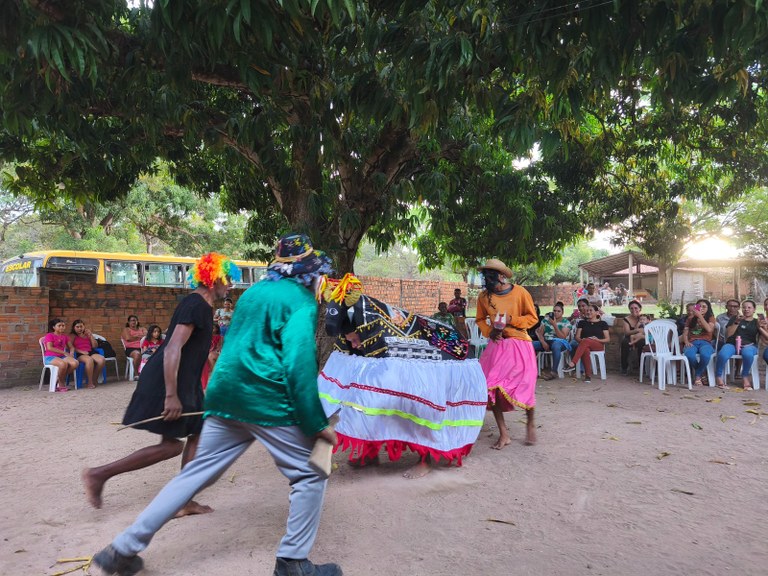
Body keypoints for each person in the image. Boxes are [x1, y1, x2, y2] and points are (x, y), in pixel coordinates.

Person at [90, 233, 343, 576]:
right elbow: (298, 366)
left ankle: (120, 551)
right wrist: (317, 424)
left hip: (224, 396)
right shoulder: (300, 301)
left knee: (193, 474)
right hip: (264, 399)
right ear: (308, 273)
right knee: (311, 473)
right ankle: (294, 563)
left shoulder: (253, 293)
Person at [82, 252, 240, 516]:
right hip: (167, 382)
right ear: (214, 279)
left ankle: (182, 500)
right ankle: (99, 474)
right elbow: (172, 349)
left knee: (194, 434)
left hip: (182, 382)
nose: (231, 286)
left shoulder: (202, 305)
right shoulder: (196, 305)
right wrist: (171, 395)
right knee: (173, 445)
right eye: (228, 280)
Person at [319, 273, 486, 479]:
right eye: (349, 342)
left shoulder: (385, 337)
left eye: (354, 340)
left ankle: (426, 459)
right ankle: (371, 452)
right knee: (368, 402)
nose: (353, 345)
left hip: (439, 359)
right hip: (397, 362)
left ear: (362, 330)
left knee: (418, 405)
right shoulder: (364, 337)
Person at [475, 258, 539, 448]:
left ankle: (530, 422)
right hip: (497, 345)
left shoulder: (520, 292)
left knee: (526, 385)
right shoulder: (483, 296)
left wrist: (512, 319)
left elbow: (532, 318)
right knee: (490, 387)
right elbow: (479, 319)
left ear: (502, 277)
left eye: (492, 279)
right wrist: (489, 332)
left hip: (520, 344)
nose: (489, 283)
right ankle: (504, 434)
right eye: (486, 278)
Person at [715, 300, 767, 390]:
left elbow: (764, 339)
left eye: (749, 307)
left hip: (749, 345)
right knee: (723, 353)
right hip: (732, 343)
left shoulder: (756, 322)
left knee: (747, 354)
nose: (746, 309)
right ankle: (718, 376)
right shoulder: (734, 319)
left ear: (754, 310)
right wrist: (737, 322)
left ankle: (745, 376)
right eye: (744, 307)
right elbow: (728, 335)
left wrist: (762, 327)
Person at [564, 304, 610, 384]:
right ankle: (588, 376)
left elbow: (607, 339)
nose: (588, 312)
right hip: (584, 344)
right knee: (585, 348)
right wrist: (583, 341)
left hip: (598, 344)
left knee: (585, 342)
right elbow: (577, 337)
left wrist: (597, 339)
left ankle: (572, 363)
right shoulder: (582, 323)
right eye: (587, 310)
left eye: (590, 310)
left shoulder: (603, 323)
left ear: (596, 312)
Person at [532, 301, 572, 380]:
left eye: (558, 311)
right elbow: (540, 333)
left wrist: (554, 324)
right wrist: (543, 342)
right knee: (528, 345)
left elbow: (562, 337)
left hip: (560, 343)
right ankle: (531, 371)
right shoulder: (545, 320)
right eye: (554, 311)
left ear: (562, 312)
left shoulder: (566, 323)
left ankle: (554, 372)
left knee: (556, 345)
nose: (556, 313)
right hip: (546, 342)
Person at [681, 299, 716, 387]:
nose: (702, 308)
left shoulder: (711, 318)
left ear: (708, 308)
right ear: (696, 307)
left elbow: (709, 329)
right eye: (699, 306)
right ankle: (702, 373)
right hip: (693, 341)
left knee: (705, 355)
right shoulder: (690, 319)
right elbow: (685, 333)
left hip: (706, 342)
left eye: (704, 307)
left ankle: (697, 376)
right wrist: (686, 341)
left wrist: (700, 316)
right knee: (689, 355)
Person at [42, 318, 79, 392]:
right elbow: (49, 348)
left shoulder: (64, 336)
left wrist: (71, 353)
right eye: (59, 325)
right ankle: (61, 383)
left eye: (63, 325)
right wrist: (64, 353)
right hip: (50, 357)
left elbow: (71, 347)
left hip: (61, 356)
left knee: (75, 363)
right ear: (54, 327)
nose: (62, 327)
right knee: (63, 364)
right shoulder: (49, 335)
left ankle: (58, 380)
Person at [69, 319, 106, 389]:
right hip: (79, 354)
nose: (80, 328)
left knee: (101, 360)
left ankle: (94, 379)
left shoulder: (87, 334)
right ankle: (90, 382)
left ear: (84, 326)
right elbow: (70, 347)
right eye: (77, 327)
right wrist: (80, 351)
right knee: (89, 360)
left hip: (90, 352)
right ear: (74, 328)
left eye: (81, 326)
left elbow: (95, 346)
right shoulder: (72, 336)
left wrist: (91, 336)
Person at [620, 300, 645, 375]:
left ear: (640, 309)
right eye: (631, 308)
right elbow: (627, 332)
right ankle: (624, 367)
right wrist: (637, 329)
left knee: (643, 343)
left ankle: (642, 367)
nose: (634, 310)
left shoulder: (643, 317)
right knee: (624, 343)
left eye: (636, 308)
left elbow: (648, 329)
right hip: (629, 337)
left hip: (641, 337)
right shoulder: (626, 319)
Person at [121, 315, 147, 380]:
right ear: (128, 322)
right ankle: (137, 374)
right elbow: (128, 338)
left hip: (144, 347)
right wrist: (140, 336)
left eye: (135, 320)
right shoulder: (126, 329)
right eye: (131, 320)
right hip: (131, 349)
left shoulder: (142, 329)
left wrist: (135, 336)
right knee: (137, 354)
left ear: (137, 321)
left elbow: (147, 336)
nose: (133, 322)